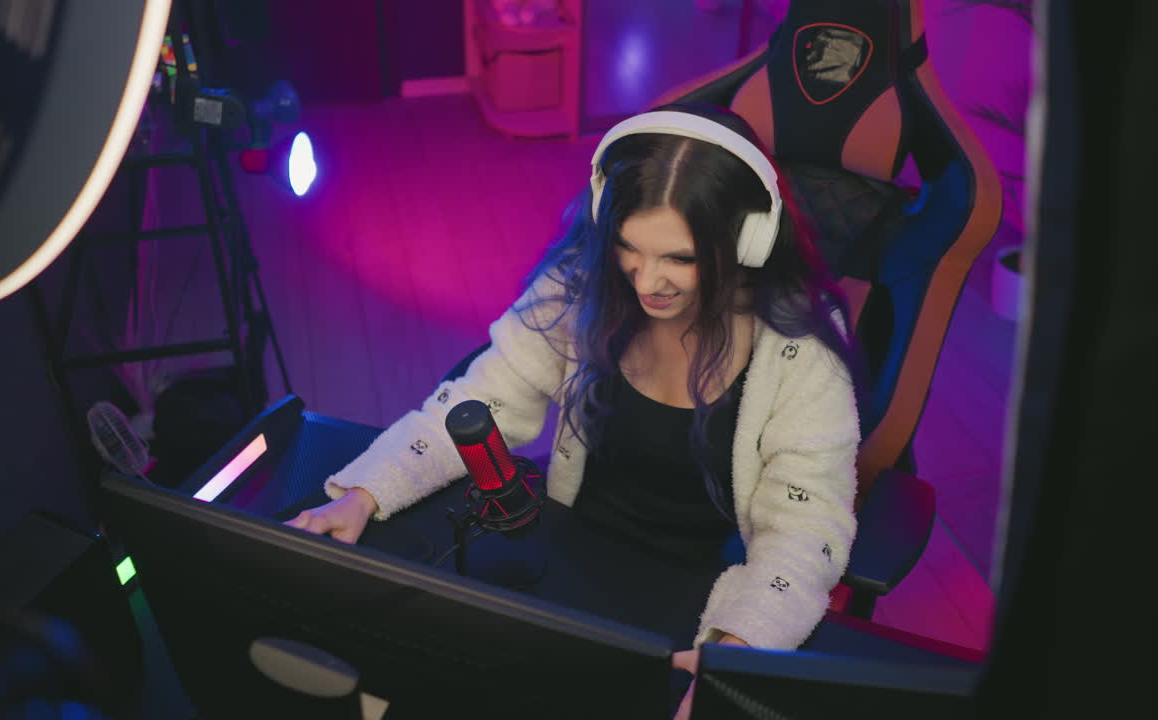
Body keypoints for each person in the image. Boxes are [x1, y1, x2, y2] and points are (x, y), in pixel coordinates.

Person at [286, 104, 862, 716]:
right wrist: (361, 496)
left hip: (689, 594)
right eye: (629, 249)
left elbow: (802, 534)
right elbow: (482, 399)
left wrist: (737, 647)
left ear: (745, 241)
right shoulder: (579, 286)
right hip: (563, 552)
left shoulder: (801, 354)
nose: (646, 282)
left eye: (681, 259)